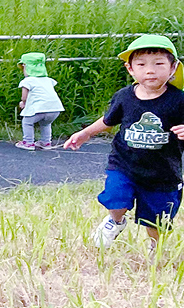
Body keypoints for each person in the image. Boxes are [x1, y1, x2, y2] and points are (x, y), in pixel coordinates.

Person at [64, 35, 184, 250]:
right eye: (141, 64)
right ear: (130, 69)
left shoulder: (179, 100)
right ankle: (115, 221)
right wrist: (86, 133)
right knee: (115, 195)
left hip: (163, 172)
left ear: (173, 67)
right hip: (124, 164)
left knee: (156, 218)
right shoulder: (124, 96)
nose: (150, 70)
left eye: (159, 64)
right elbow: (109, 119)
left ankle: (154, 248)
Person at [16, 52, 65, 150]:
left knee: (27, 122)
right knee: (46, 123)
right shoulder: (48, 80)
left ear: (27, 67)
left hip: (39, 108)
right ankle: (45, 142)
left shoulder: (28, 81)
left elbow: (24, 96)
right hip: (54, 109)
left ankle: (28, 142)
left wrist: (23, 102)